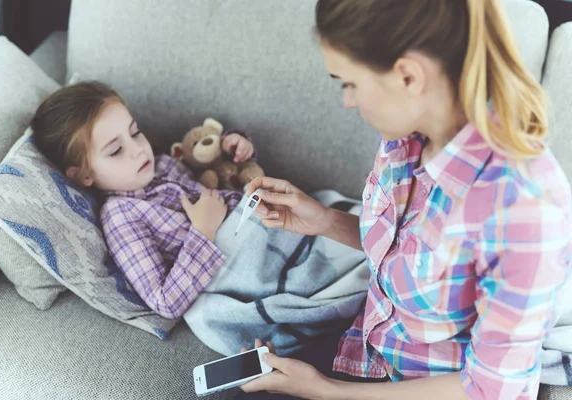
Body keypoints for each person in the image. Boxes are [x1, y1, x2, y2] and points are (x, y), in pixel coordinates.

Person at [239, 0, 572, 399]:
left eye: (349, 83)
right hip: (371, 356)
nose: (347, 100)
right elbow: (411, 258)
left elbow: (488, 390)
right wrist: (323, 219)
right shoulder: (406, 137)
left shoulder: (522, 209)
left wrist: (325, 390)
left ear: (408, 76)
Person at [31, 81, 255, 320]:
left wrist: (235, 151)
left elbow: (214, 175)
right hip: (246, 267)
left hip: (262, 220)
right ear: (84, 174)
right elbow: (165, 301)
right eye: (116, 150)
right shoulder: (121, 216)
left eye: (135, 132)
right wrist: (204, 230)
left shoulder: (163, 164)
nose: (138, 149)